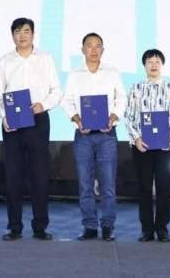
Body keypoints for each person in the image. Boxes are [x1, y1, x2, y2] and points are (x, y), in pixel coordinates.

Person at [0, 16, 62, 240]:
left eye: (25, 31)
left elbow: (56, 91)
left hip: (38, 119)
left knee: (39, 175)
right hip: (12, 123)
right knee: (13, 176)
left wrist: (44, 105)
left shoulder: (45, 59)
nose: (21, 36)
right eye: (17, 32)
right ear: (12, 35)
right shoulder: (5, 61)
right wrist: (3, 115)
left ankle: (40, 226)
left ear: (33, 34)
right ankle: (14, 227)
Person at [63, 32, 127, 241]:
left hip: (107, 134)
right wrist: (76, 119)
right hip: (83, 135)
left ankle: (108, 226)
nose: (93, 49)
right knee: (85, 184)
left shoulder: (112, 72)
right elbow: (67, 101)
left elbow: (121, 99)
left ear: (103, 50)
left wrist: (114, 116)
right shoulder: (75, 74)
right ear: (83, 50)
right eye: (89, 45)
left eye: (97, 45)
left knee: (108, 185)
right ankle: (89, 226)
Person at [123, 48, 170, 243]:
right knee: (144, 187)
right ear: (144, 65)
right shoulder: (136, 88)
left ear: (162, 64)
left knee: (164, 186)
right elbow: (128, 116)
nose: (154, 65)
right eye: (150, 61)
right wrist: (136, 138)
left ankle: (162, 229)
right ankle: (147, 229)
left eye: (157, 61)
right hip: (142, 145)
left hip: (165, 145)